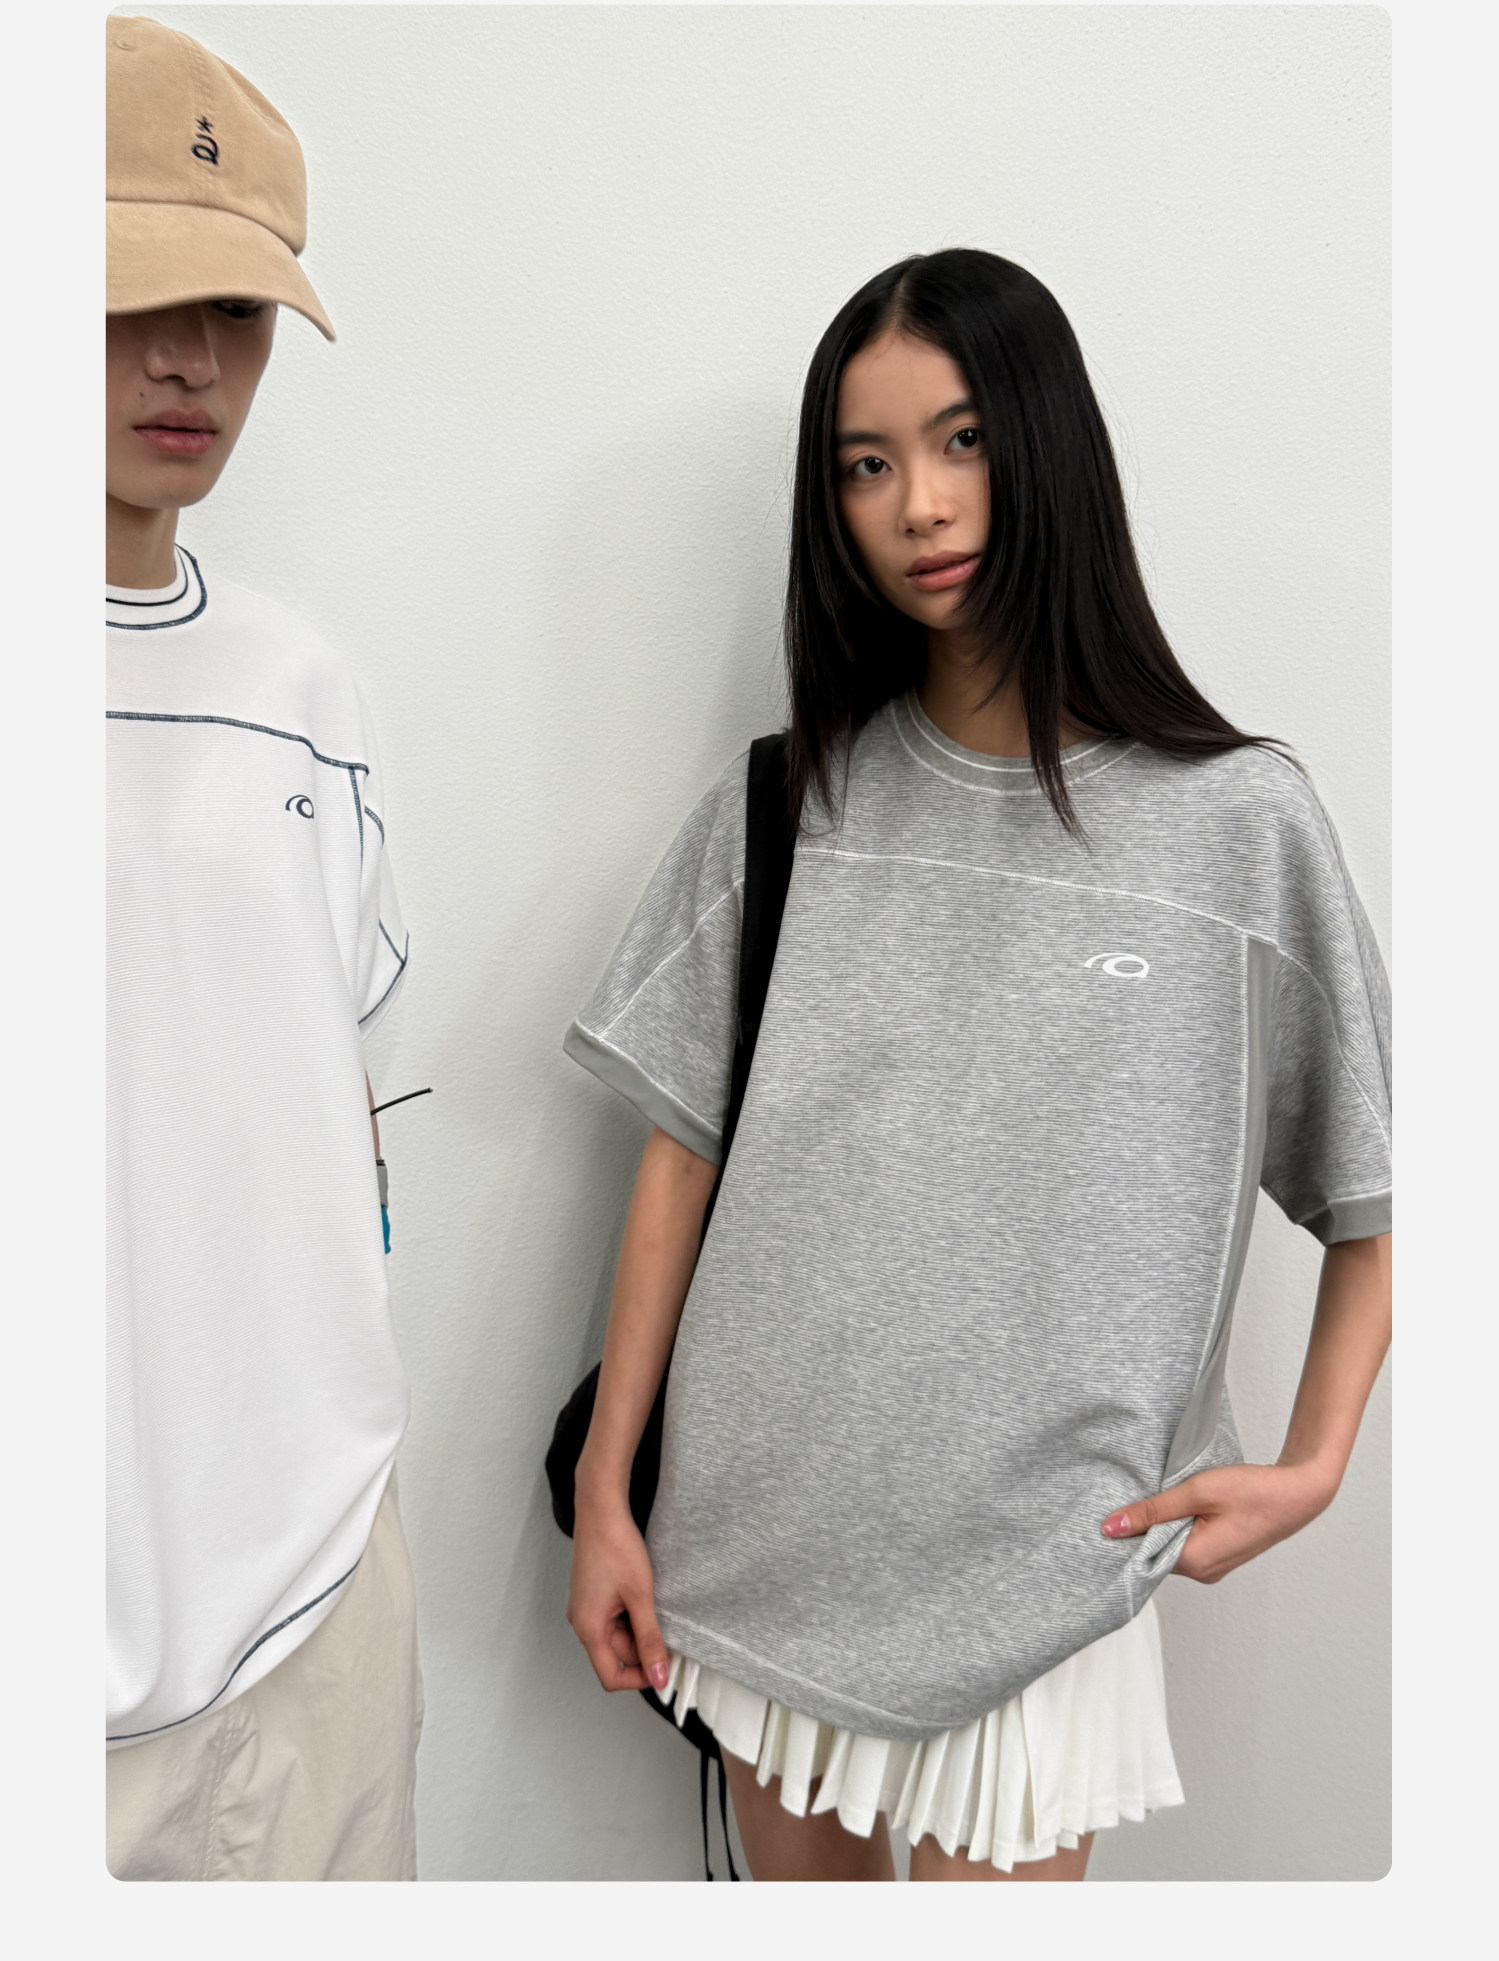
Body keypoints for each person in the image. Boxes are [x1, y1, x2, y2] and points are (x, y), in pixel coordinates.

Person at [562, 249, 1391, 1881]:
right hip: (758, 1538)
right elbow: (680, 1159)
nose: (920, 506)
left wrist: (1313, 1465)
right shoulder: (786, 806)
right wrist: (607, 1494)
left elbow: (1376, 1192)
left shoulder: (1239, 823)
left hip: (1046, 1573)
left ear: (1046, 445)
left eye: (961, 443)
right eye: (865, 465)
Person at [106, 17, 420, 1880]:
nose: (187, 360)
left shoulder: (304, 693)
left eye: (233, 309)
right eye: (128, 293)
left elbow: (337, 1099)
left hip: (314, 1601)